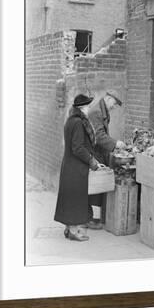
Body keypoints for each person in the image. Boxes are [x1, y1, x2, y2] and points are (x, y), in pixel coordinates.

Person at [54, 94, 105, 241]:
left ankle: (69, 229)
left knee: (70, 198)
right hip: (75, 168)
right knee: (75, 199)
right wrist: (92, 162)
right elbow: (78, 148)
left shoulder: (72, 120)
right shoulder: (78, 123)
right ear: (82, 108)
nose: (89, 109)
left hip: (70, 166)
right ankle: (74, 231)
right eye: (88, 106)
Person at [87, 90, 126, 229]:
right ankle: (92, 219)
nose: (114, 107)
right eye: (114, 104)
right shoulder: (96, 112)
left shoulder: (101, 109)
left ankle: (95, 217)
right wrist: (116, 144)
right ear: (108, 98)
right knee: (96, 185)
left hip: (98, 152)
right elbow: (98, 135)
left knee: (97, 185)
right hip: (94, 153)